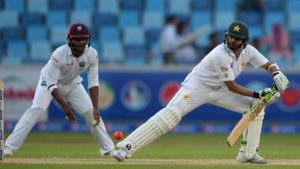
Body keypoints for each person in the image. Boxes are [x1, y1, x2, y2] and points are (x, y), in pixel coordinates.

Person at [112, 21, 289, 164]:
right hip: (197, 87)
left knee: (256, 107)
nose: (233, 41)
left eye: (237, 39)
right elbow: (231, 86)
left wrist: (277, 73)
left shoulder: (249, 51)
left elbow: (268, 64)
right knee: (170, 116)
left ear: (245, 41)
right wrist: (259, 94)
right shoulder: (220, 54)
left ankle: (248, 154)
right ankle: (126, 147)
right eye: (231, 37)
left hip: (220, 90)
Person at [4, 23, 116, 157]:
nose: (81, 43)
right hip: (48, 83)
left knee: (91, 112)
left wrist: (96, 107)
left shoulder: (92, 54)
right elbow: (51, 84)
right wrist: (65, 106)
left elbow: (93, 82)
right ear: (70, 40)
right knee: (37, 109)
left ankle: (108, 149)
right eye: (77, 39)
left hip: (73, 84)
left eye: (83, 39)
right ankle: (9, 147)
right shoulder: (59, 54)